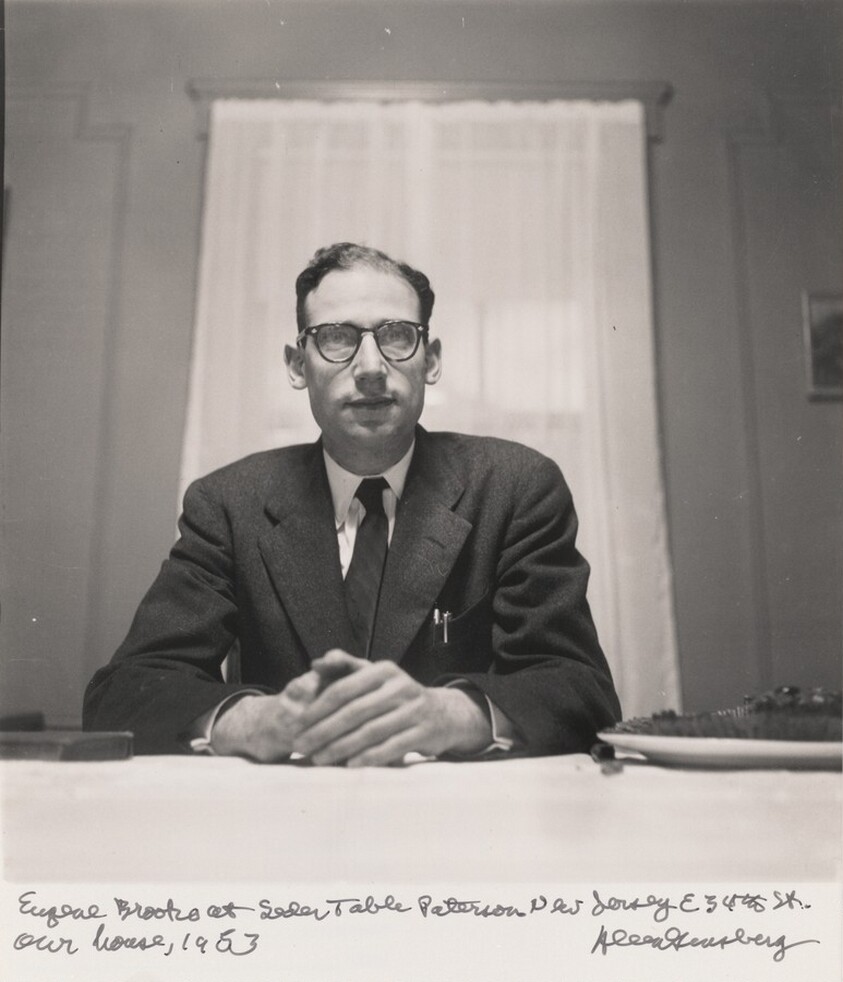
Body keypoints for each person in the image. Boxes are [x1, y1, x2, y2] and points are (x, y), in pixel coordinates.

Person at [83, 243, 621, 764]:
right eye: (337, 338)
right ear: (297, 366)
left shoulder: (516, 487)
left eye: (397, 337)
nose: (369, 367)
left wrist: (449, 715)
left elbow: (580, 689)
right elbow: (124, 693)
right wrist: (253, 722)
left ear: (430, 361)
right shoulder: (229, 504)